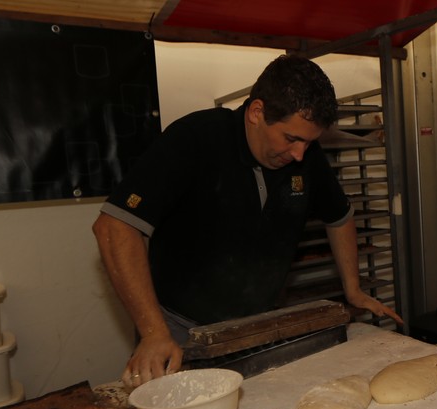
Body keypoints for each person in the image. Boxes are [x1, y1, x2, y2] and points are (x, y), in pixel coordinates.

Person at [93, 54, 402, 388]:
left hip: (258, 326)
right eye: (291, 138)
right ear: (257, 112)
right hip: (179, 329)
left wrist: (353, 289)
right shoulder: (195, 139)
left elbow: (339, 217)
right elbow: (115, 226)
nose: (300, 154)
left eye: (309, 142)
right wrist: (154, 333)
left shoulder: (306, 157)